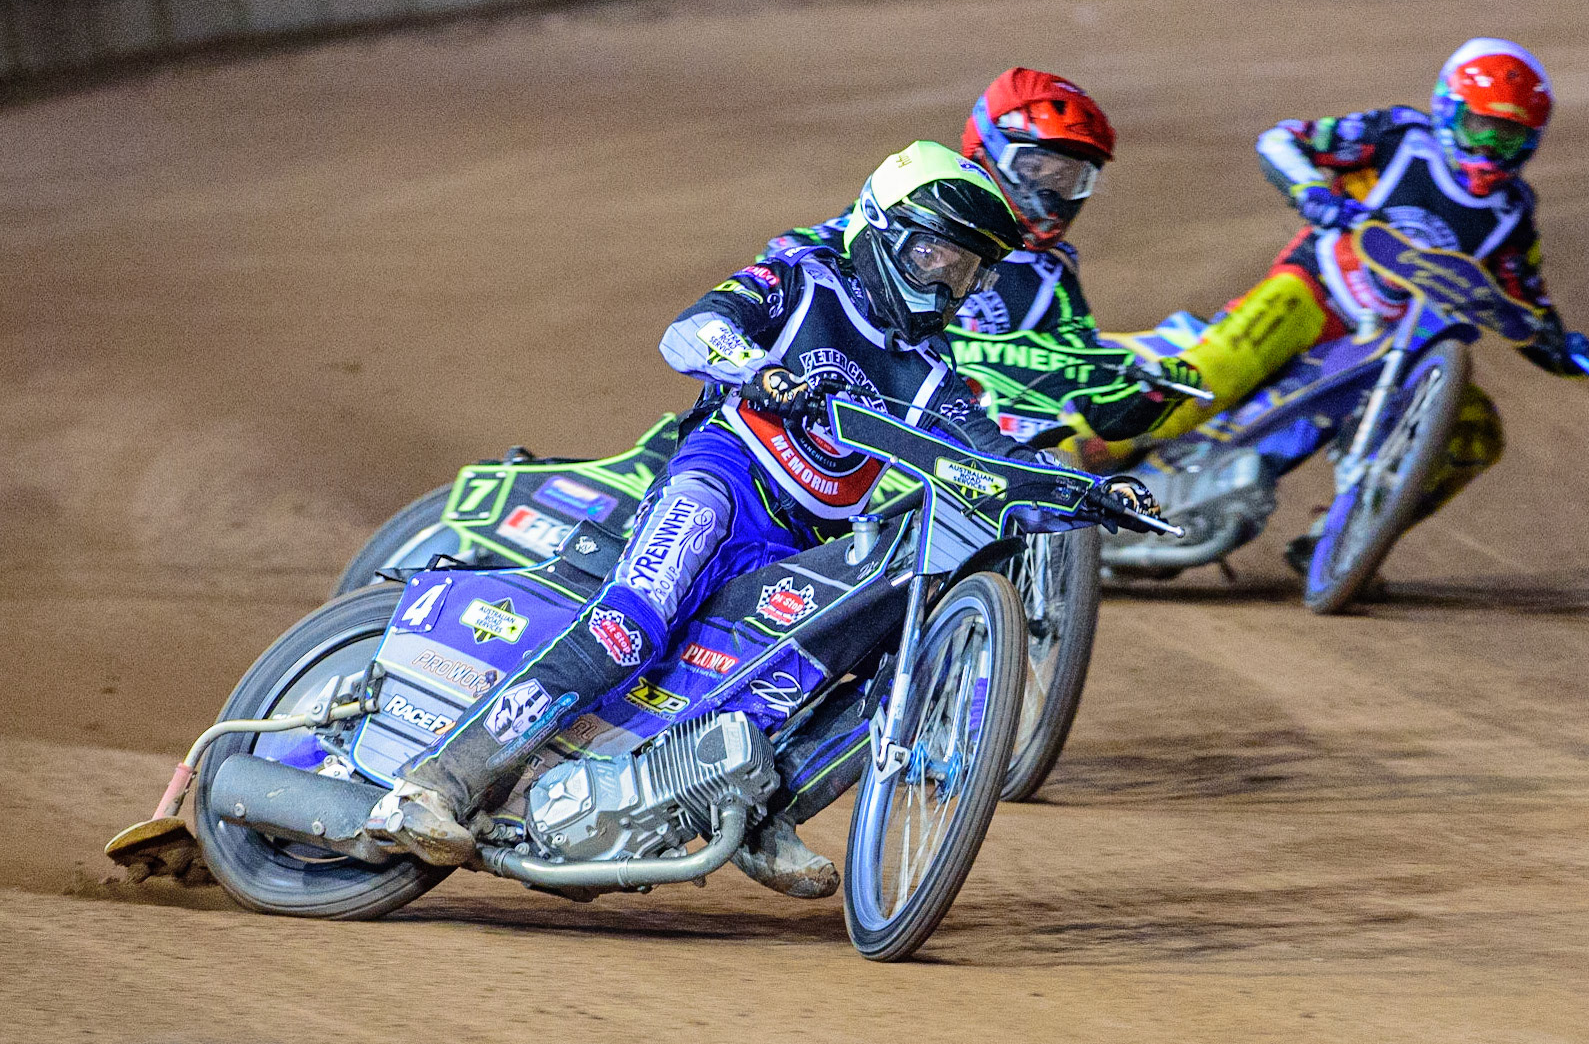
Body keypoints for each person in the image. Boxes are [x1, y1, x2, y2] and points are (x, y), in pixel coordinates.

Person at [369, 141, 1157, 894]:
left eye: (965, 272)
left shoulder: (928, 372)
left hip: (800, 543)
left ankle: (762, 817)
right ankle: (437, 782)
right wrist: (759, 372)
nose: (945, 286)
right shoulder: (801, 276)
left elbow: (995, 455)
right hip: (722, 480)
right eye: (934, 258)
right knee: (629, 628)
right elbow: (690, 331)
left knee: (853, 674)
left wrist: (1093, 493)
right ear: (883, 229)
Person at [1068, 38, 1589, 569]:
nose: (1491, 148)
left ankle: (1343, 539)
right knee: (1211, 376)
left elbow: (1523, 298)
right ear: (1448, 110)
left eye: (1509, 136)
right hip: (1315, 291)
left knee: (1476, 435)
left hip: (1405, 346)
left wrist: (1560, 344)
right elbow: (1284, 139)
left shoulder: (1513, 215)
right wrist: (1310, 192)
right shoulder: (1398, 138)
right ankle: (1084, 446)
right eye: (1481, 127)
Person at [766, 67, 1199, 443]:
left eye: (1068, 180)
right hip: (851, 411)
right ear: (989, 148)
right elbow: (789, 253)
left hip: (979, 451)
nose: (1050, 195)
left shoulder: (1051, 277)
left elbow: (1087, 382)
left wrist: (1147, 394)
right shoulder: (921, 205)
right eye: (1035, 170)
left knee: (1061, 455)